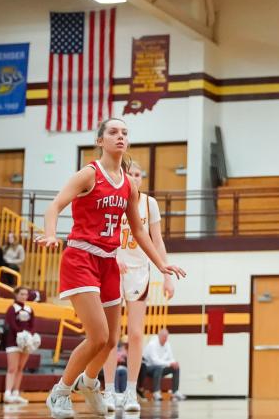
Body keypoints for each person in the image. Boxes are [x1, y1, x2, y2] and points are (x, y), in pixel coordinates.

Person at [38, 117, 185, 419]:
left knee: (110, 340)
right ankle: (61, 391)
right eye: (113, 132)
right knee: (98, 336)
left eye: (124, 133)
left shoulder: (129, 185)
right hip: (81, 258)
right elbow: (54, 206)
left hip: (108, 262)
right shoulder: (89, 174)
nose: (120, 136)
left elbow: (140, 231)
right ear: (100, 140)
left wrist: (162, 265)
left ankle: (90, 382)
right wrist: (52, 233)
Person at [102, 160, 175, 413]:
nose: (134, 178)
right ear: (122, 174)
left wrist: (166, 273)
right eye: (130, 173)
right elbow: (102, 235)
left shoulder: (149, 204)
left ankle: (131, 391)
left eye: (138, 174)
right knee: (111, 336)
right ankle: (109, 390)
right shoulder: (112, 199)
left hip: (139, 271)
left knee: (135, 333)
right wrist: (114, 256)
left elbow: (158, 241)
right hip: (113, 268)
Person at [2, 285, 40, 405]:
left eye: (26, 294)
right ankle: (7, 393)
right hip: (13, 341)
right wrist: (20, 334)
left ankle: (16, 393)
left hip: (26, 342)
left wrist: (28, 336)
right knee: (12, 368)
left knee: (20, 368)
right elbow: (11, 324)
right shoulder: (12, 308)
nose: (24, 296)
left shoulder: (30, 309)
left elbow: (33, 325)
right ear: (16, 294)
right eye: (21, 294)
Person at [141, 328, 184, 401]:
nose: (165, 339)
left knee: (176, 368)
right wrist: (169, 363)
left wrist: (174, 363)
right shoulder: (152, 344)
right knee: (158, 367)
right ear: (159, 336)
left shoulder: (167, 344)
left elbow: (171, 358)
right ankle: (156, 392)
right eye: (164, 337)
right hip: (148, 368)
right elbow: (155, 361)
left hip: (161, 368)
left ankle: (175, 391)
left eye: (166, 337)